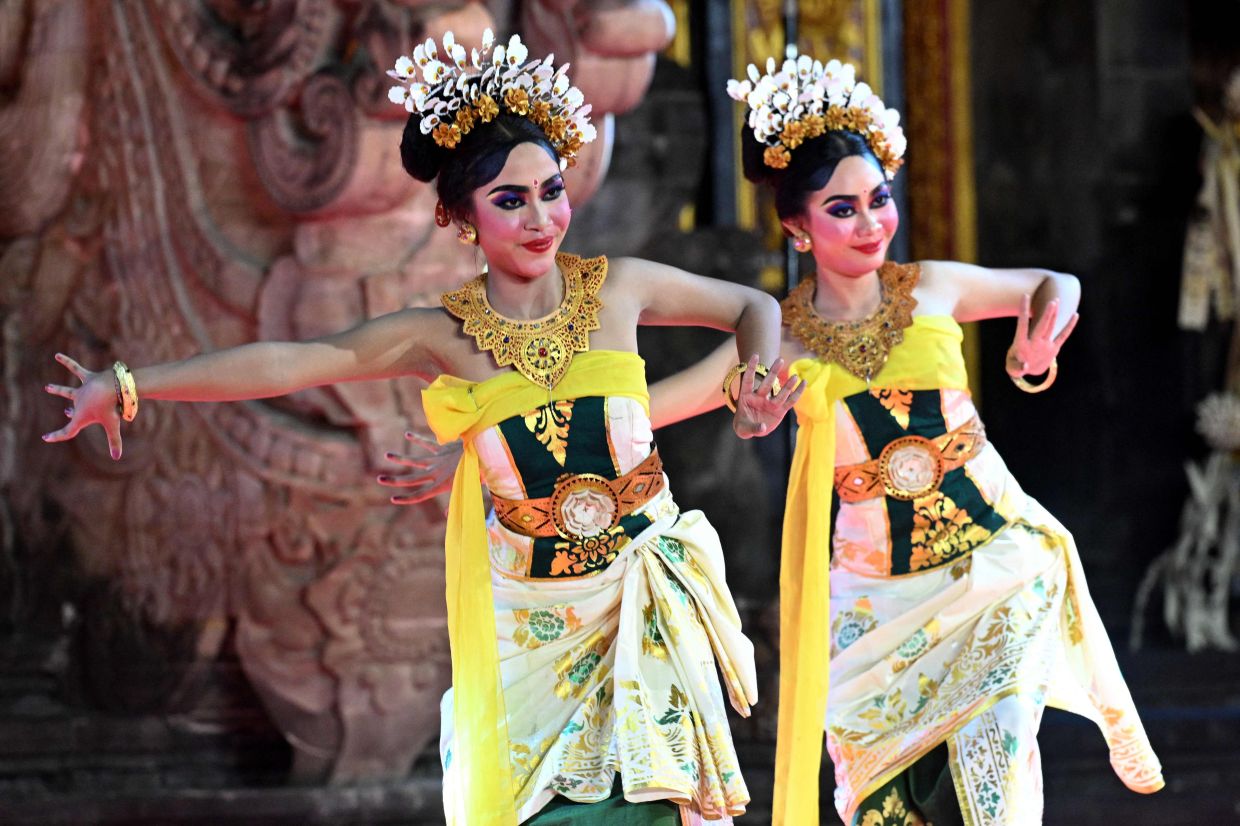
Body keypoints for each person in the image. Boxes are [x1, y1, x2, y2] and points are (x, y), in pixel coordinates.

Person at [40, 30, 806, 826]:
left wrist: (751, 381)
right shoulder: (440, 335)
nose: (541, 217)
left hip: (643, 609)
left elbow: (755, 306)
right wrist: (128, 386)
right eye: (511, 200)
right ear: (460, 217)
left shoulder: (620, 290)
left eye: (551, 189)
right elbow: (292, 362)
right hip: (533, 635)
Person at [718, 52, 1167, 826]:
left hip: (996, 565)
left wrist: (1038, 340)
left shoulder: (931, 286)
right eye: (843, 209)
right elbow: (652, 401)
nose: (871, 224)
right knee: (890, 804)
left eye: (879, 199)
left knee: (994, 784)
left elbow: (1055, 283)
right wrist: (747, 414)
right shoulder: (782, 340)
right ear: (797, 226)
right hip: (874, 600)